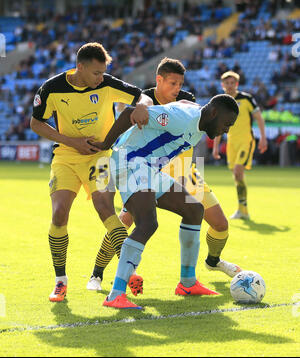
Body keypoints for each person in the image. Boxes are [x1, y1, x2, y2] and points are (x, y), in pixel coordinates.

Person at [88, 58, 242, 295]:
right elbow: (131, 111)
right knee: (147, 223)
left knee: (194, 210)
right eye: (226, 124)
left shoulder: (198, 120)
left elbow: (182, 105)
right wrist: (104, 145)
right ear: (212, 114)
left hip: (151, 169)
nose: (227, 130)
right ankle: (115, 292)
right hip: (130, 163)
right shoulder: (178, 116)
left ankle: (188, 283)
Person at [30, 42, 152, 302]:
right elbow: (35, 122)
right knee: (59, 213)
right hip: (65, 157)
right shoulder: (51, 88)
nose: (100, 78)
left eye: (103, 72)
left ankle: (128, 271)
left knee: (105, 209)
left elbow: (142, 95)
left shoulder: (107, 84)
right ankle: (60, 281)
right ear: (80, 67)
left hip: (100, 157)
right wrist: (70, 141)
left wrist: (142, 105)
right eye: (96, 73)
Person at [213, 71, 268, 220]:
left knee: (238, 171)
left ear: (237, 84)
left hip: (246, 140)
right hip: (232, 143)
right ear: (222, 85)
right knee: (237, 177)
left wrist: (263, 138)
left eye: (232, 83)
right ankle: (242, 210)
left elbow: (259, 118)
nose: (230, 86)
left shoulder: (246, 99)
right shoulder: (222, 102)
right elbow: (219, 126)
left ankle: (243, 210)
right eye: (227, 83)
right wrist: (215, 146)